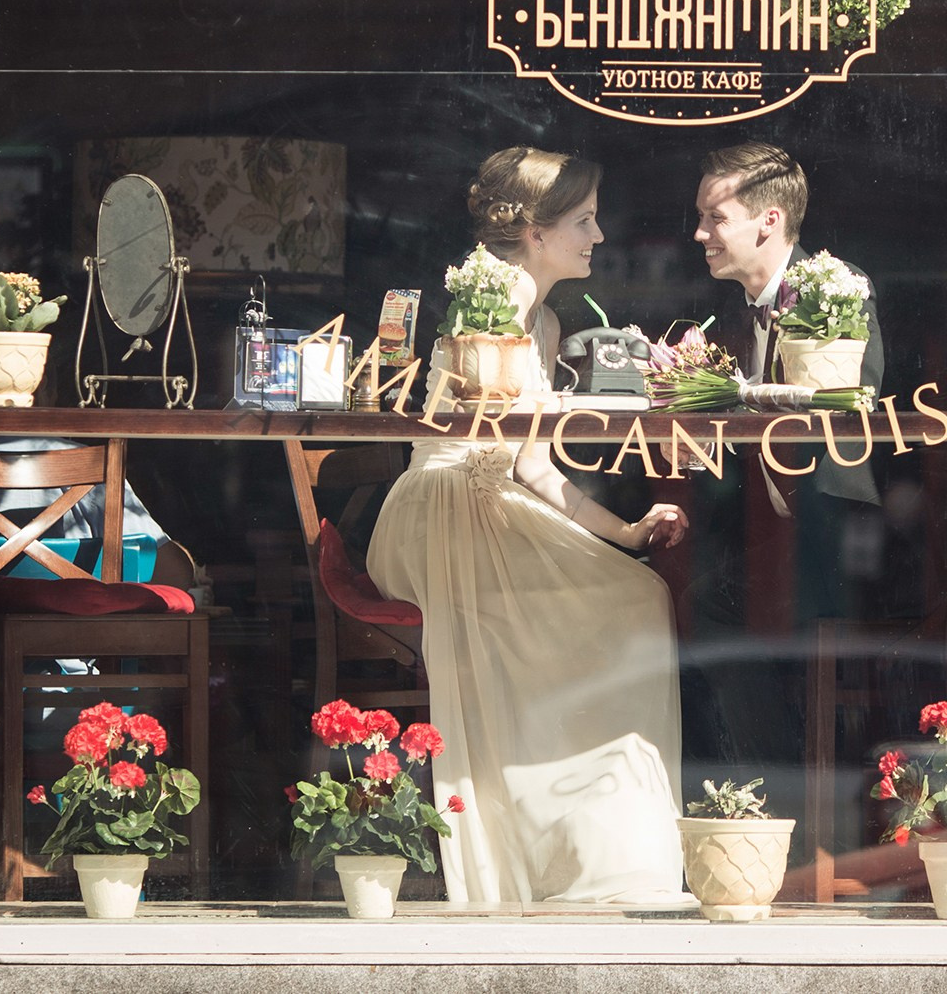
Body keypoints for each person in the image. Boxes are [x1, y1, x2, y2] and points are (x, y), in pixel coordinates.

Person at [367, 147, 692, 908]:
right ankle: (568, 846)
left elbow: (538, 467)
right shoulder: (498, 296)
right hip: (448, 509)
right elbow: (502, 453)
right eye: (583, 219)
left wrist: (627, 532)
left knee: (634, 591)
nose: (599, 234)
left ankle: (593, 839)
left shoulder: (540, 316)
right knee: (622, 605)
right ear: (537, 233)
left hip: (495, 501)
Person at [693, 142, 885, 504]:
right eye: (701, 216)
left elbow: (854, 409)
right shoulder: (729, 303)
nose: (699, 233)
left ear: (770, 220)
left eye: (715, 218)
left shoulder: (833, 290)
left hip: (832, 514)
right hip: (762, 521)